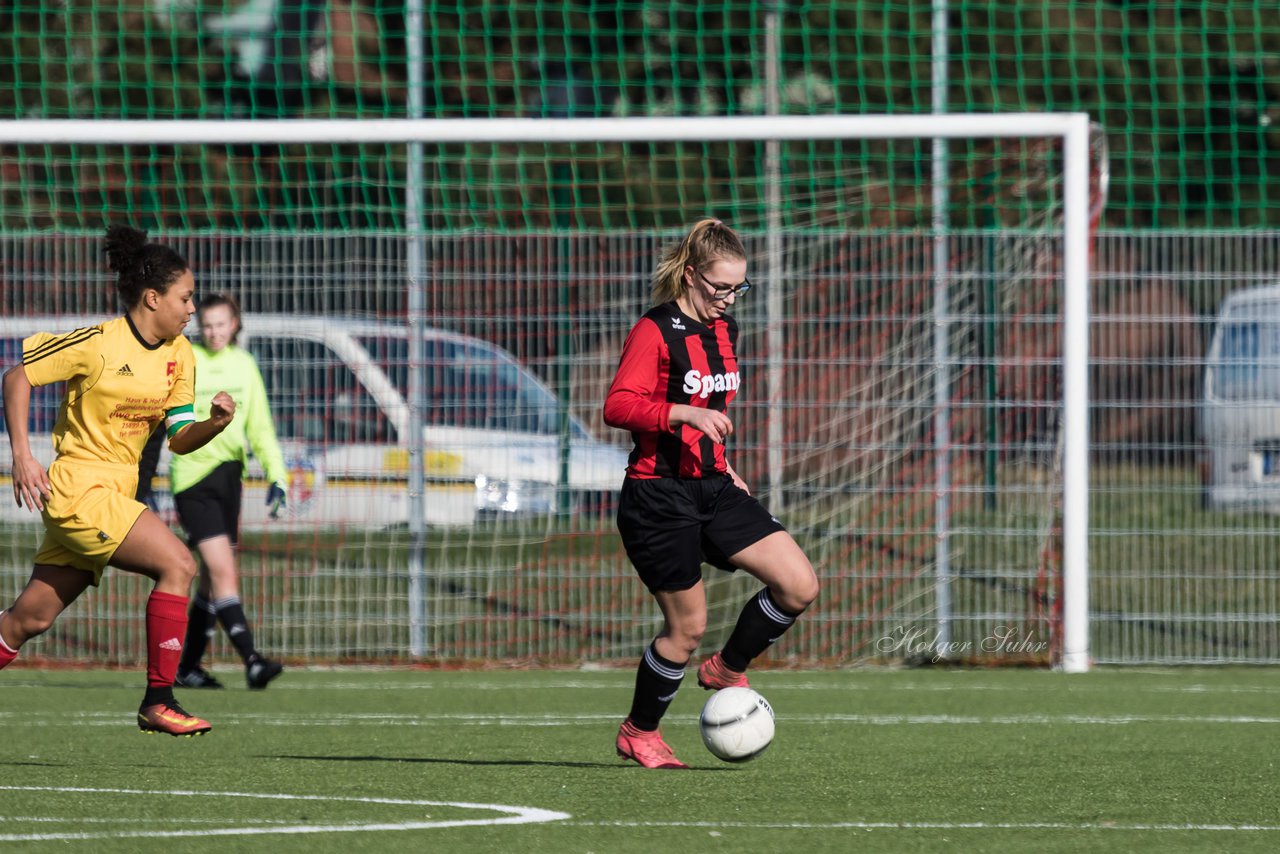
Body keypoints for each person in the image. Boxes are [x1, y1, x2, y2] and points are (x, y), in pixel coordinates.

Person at [0, 224, 237, 737]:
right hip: (78, 492)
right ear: (153, 298)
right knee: (178, 563)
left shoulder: (181, 355)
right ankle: (159, 700)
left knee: (27, 621)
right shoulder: (97, 343)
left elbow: (178, 436)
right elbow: (17, 377)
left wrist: (214, 425)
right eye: (185, 297)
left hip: (116, 493)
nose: (192, 309)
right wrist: (22, 454)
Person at [603, 218, 820, 769]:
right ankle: (639, 732)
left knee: (798, 585)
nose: (729, 298)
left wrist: (725, 464)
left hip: (714, 487)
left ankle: (728, 667)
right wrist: (682, 412)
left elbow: (713, 416)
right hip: (658, 497)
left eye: (738, 288)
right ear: (692, 274)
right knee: (687, 629)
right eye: (720, 287)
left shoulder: (727, 332)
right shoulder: (655, 329)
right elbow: (618, 406)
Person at [138, 294, 288, 691]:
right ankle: (252, 660)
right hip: (192, 481)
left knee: (209, 581)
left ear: (235, 324)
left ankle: (187, 668)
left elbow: (260, 426)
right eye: (207, 324)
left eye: (221, 324)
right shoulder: (188, 359)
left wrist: (278, 475)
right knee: (223, 571)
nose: (214, 331)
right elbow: (162, 419)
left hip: (229, 479)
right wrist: (146, 479)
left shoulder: (245, 365)